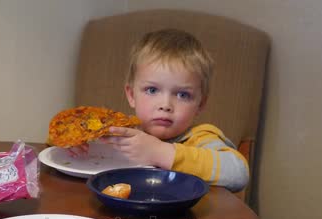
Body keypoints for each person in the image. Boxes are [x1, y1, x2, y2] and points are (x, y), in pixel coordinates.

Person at [73, 28, 249, 192]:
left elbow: (238, 172)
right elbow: (59, 139)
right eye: (152, 90)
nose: (165, 105)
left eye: (182, 95)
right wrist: (75, 142)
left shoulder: (200, 138)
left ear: (201, 104)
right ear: (131, 95)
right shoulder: (122, 133)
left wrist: (160, 152)